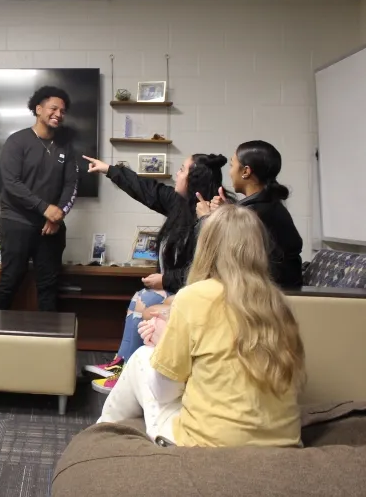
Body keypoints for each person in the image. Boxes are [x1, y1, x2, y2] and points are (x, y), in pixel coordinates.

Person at [97, 205, 305, 448]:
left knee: (142, 358)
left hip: (210, 445)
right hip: (284, 443)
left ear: (206, 247)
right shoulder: (278, 302)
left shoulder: (193, 297)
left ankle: (100, 436)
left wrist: (162, 343)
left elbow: (164, 393)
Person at [81, 153, 229, 393]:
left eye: (182, 170)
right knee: (142, 297)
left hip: (197, 294)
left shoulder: (214, 217)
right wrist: (109, 169)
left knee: (145, 298)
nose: (177, 174)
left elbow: (205, 270)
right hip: (179, 289)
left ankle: (124, 372)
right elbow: (147, 190)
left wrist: (166, 279)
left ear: (194, 180)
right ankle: (121, 365)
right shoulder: (180, 204)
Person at [0, 86, 79, 312]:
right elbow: (11, 183)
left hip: (51, 227)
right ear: (38, 109)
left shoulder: (66, 148)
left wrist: (57, 215)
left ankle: (47, 335)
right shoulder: (17, 141)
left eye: (62, 111)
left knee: (49, 286)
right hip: (16, 222)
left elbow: (71, 185)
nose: (58, 114)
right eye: (53, 108)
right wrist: (44, 208)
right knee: (10, 280)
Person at [198, 140, 303, 288]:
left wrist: (206, 218)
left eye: (232, 165)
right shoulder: (268, 205)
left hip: (266, 293)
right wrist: (226, 213)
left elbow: (219, 254)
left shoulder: (256, 213)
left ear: (246, 172)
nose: (230, 173)